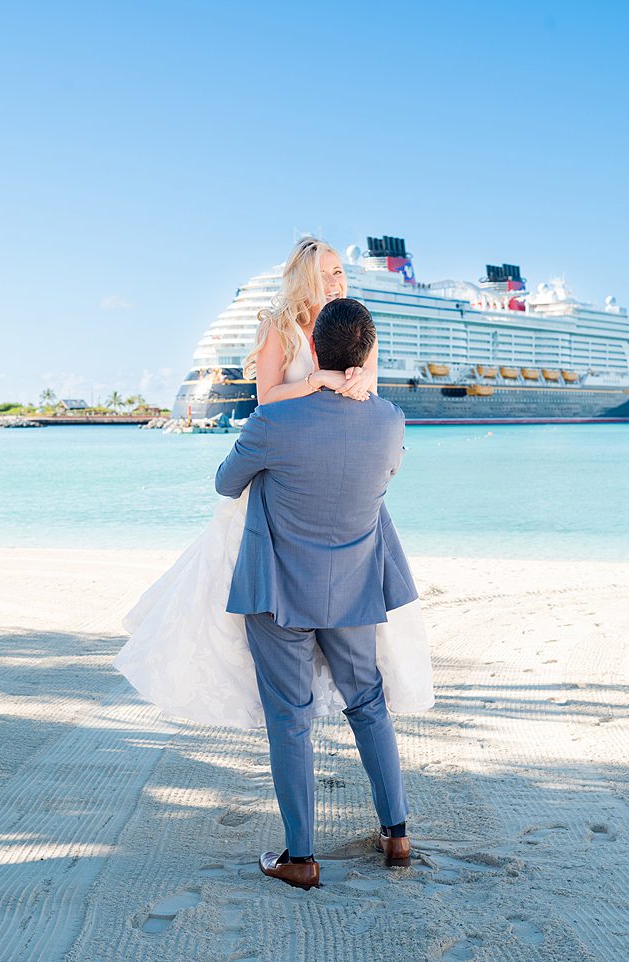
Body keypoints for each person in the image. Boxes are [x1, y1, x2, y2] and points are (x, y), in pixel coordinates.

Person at [113, 237, 433, 730]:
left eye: (340, 272)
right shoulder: (278, 328)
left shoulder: (357, 328)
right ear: (302, 278)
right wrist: (320, 382)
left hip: (336, 475)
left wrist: (356, 385)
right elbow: (266, 400)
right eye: (326, 274)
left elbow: (371, 391)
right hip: (283, 472)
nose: (336, 282)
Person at [215, 298, 417, 890]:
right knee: (368, 703)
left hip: (279, 589)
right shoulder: (390, 420)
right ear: (366, 356)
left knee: (290, 717)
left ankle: (300, 858)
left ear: (316, 355)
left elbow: (227, 483)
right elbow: (385, 475)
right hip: (355, 586)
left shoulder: (273, 422)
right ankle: (397, 833)